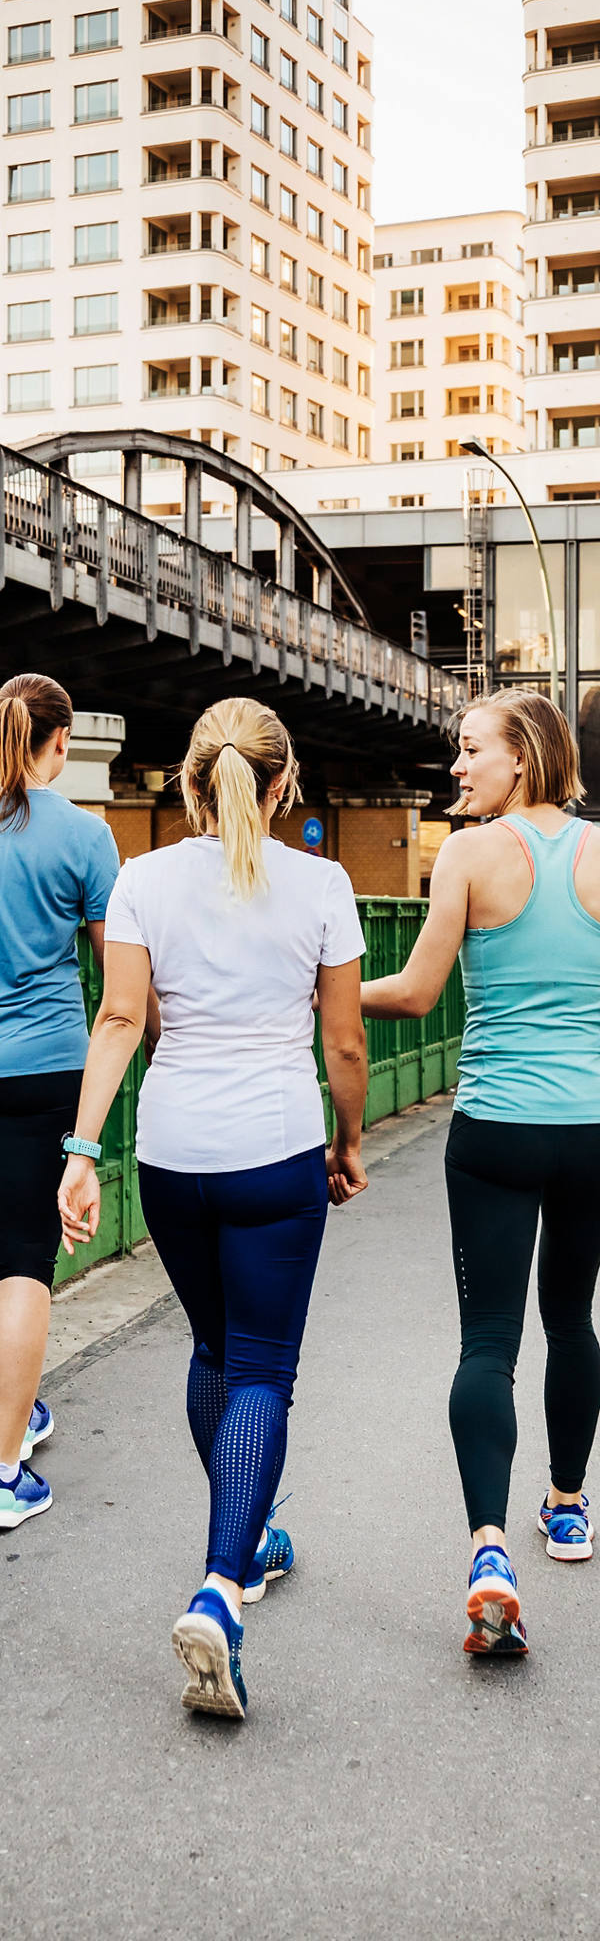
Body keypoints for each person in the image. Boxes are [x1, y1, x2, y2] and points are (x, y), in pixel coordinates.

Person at [58, 696, 368, 1719]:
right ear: (282, 787)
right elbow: (345, 1045)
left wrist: (81, 1147)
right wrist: (349, 1136)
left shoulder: (141, 878)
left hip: (173, 1153)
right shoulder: (322, 881)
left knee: (214, 1352)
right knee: (266, 1368)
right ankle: (220, 1586)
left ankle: (248, 1537)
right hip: (276, 1148)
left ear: (193, 780)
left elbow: (119, 1017)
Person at [361, 689, 600, 1658]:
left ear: (524, 755)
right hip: (591, 1124)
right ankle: (570, 1506)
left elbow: (416, 993)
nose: (456, 766)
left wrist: (327, 986)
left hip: (497, 1125)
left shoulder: (465, 856)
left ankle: (490, 1552)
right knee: (572, 1316)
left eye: (470, 750)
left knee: (490, 1341)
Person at [0, 673, 120, 1529]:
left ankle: (19, 1410)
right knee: (22, 1262)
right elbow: (122, 985)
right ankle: (5, 1470)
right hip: (45, 1069)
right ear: (61, 740)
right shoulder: (85, 837)